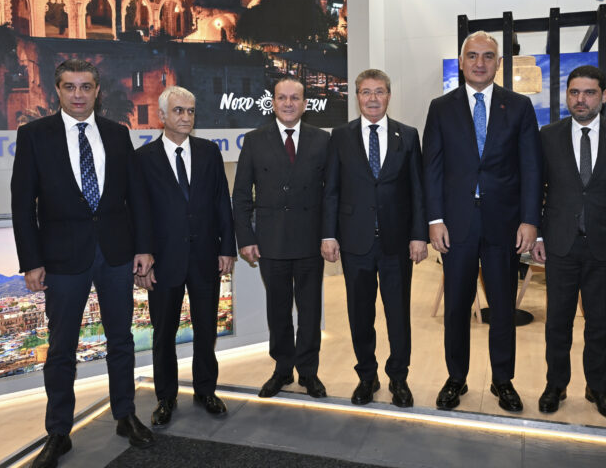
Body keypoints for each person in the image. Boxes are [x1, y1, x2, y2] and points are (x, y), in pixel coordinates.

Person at [11, 59, 154, 468]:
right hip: (61, 259)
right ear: (57, 90)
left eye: (86, 86)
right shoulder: (34, 135)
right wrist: (31, 261)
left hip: (115, 254)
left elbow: (135, 197)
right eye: (70, 87)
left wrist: (144, 248)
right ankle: (58, 433)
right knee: (61, 349)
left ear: (97, 91)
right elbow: (23, 204)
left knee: (121, 340)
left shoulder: (117, 134)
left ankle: (125, 415)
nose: (78, 94)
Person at [423, 31, 543, 413]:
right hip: (455, 225)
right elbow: (432, 169)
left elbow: (531, 167)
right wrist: (435, 219)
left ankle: (502, 381)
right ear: (461, 62)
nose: (479, 62)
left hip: (504, 225)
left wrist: (530, 220)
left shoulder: (519, 106)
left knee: (503, 308)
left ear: (498, 63)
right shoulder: (440, 108)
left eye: (488, 56)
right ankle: (455, 378)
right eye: (472, 56)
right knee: (456, 307)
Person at [531, 65, 606, 420]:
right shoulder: (548, 136)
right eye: (574, 92)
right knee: (557, 323)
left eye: (589, 93)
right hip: (560, 245)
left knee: (599, 324)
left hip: (605, 247)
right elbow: (535, 189)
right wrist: (537, 234)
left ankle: (598, 388)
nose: (581, 99)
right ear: (567, 96)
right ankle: (556, 385)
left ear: (603, 96)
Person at [322, 69, 428, 407]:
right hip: (355, 242)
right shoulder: (340, 136)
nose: (372, 98)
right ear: (356, 97)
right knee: (360, 314)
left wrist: (419, 235)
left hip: (397, 243)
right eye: (366, 92)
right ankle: (367, 376)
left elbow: (418, 190)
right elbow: (331, 190)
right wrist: (328, 234)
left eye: (379, 91)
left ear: (388, 96)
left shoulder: (407, 135)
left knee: (398, 314)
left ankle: (399, 377)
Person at [134, 86, 236, 426]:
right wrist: (142, 257)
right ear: (162, 116)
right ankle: (165, 397)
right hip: (163, 262)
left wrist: (227, 248)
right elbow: (139, 211)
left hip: (206, 256)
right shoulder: (143, 158)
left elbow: (222, 202)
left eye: (191, 111)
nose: (186, 117)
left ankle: (206, 390)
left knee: (206, 329)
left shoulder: (209, 152)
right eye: (179, 111)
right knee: (164, 333)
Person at [232, 76, 330, 399]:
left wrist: (330, 235)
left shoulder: (322, 140)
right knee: (278, 310)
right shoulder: (254, 140)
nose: (288, 103)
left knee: (310, 310)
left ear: (305, 103)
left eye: (295, 98)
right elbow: (242, 194)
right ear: (273, 102)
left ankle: (309, 372)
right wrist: (245, 238)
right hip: (270, 242)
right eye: (282, 97)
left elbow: (331, 193)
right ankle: (283, 369)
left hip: (310, 241)